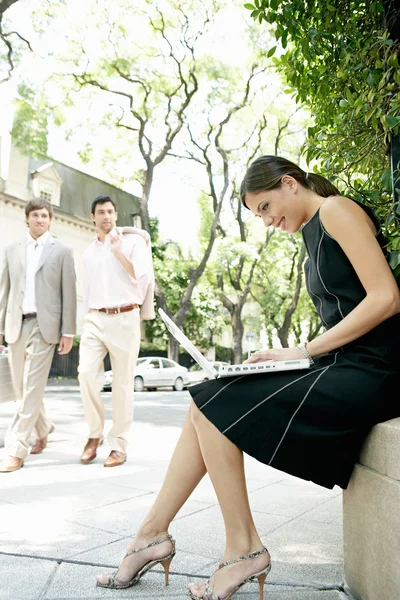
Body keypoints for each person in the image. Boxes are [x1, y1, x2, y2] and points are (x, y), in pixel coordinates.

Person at [96, 156, 400, 599]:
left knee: (212, 401)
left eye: (263, 207)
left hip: (375, 371)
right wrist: (284, 358)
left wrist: (302, 350)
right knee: (207, 400)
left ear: (290, 184)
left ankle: (239, 548)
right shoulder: (312, 235)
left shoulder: (336, 211)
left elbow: (387, 298)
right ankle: (153, 533)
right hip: (342, 366)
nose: (265, 221)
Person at [0, 198, 77, 473]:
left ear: (50, 219)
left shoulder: (62, 251)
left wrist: (68, 331)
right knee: (22, 390)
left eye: (45, 216)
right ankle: (43, 427)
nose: (40, 220)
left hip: (45, 328)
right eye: (35, 215)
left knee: (31, 387)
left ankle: (17, 448)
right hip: (15, 324)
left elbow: (69, 293)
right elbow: (4, 291)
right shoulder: (11, 249)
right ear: (27, 218)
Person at [78, 195, 154, 467]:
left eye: (111, 211)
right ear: (93, 217)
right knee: (85, 373)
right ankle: (93, 434)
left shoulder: (133, 242)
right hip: (95, 318)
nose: (107, 216)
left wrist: (119, 252)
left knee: (122, 384)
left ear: (115, 214)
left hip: (124, 317)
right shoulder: (87, 252)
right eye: (101, 212)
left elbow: (142, 280)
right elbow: (85, 292)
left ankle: (118, 445)